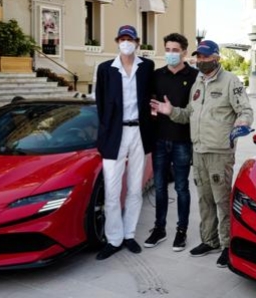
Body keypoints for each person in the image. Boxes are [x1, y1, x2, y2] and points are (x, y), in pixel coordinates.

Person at [150, 40, 254, 268]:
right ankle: (210, 240)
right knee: (204, 199)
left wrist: (241, 124)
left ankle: (228, 245)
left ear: (217, 58)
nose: (202, 61)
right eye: (199, 57)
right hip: (198, 150)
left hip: (219, 152)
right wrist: (171, 111)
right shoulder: (197, 82)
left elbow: (245, 110)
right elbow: (188, 113)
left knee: (222, 200)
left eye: (206, 57)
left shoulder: (230, 81)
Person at [94, 25, 155, 260]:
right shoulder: (106, 69)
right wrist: (106, 131)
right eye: (122, 38)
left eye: (130, 39)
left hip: (139, 132)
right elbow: (100, 102)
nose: (126, 42)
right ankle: (114, 239)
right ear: (117, 41)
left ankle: (129, 234)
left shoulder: (146, 67)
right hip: (114, 135)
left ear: (137, 42)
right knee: (111, 188)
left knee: (134, 188)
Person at [143, 33, 199, 252]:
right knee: (159, 187)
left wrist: (171, 111)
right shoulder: (158, 75)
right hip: (160, 141)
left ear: (184, 52)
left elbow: (195, 111)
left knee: (182, 187)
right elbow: (150, 102)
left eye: (175, 50)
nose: (171, 53)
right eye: (167, 49)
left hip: (183, 142)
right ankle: (160, 229)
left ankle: (181, 231)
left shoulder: (194, 77)